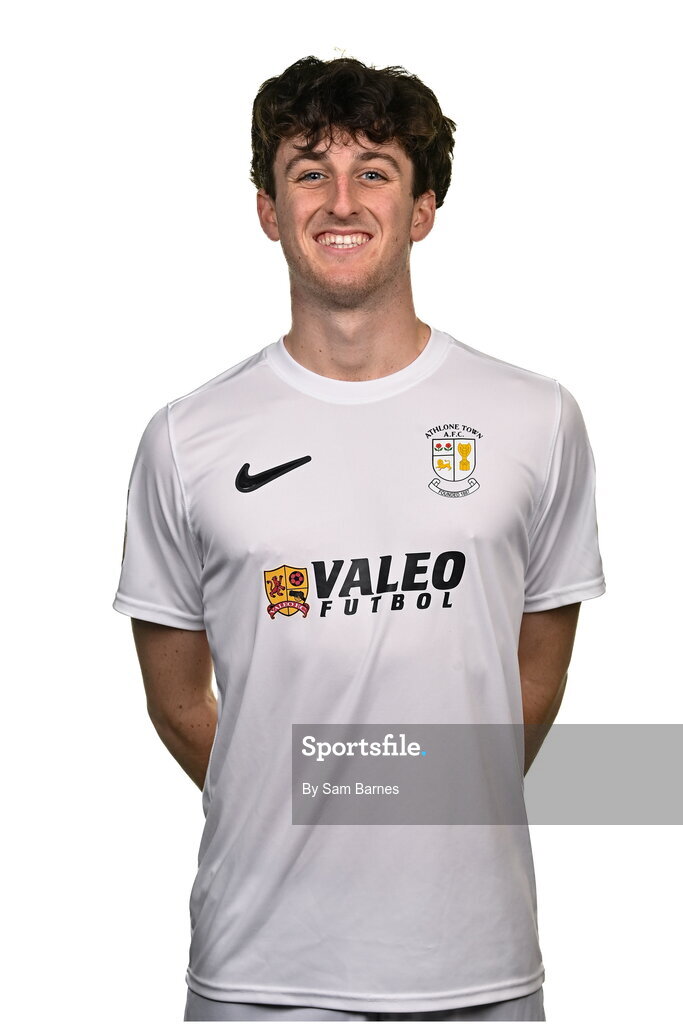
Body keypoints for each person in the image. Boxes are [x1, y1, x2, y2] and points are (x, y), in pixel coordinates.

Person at [112, 56, 606, 1022]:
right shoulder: (185, 439)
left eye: (374, 170)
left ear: (421, 210)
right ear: (268, 209)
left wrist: (412, 795)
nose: (341, 199)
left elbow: (535, 676)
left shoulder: (535, 419)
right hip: (260, 974)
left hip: (477, 966)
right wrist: (294, 794)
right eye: (308, 170)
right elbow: (176, 699)